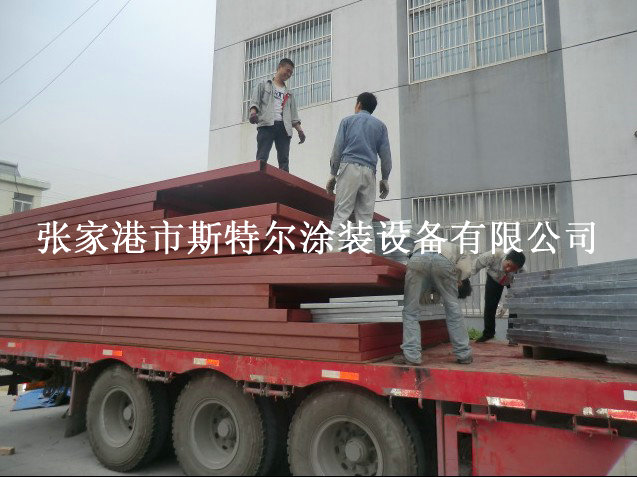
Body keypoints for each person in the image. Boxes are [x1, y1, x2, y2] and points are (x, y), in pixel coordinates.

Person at [325, 92, 391, 253]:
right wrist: (385, 178)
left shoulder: (347, 121)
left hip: (349, 168)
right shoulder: (380, 127)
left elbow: (337, 149)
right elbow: (386, 155)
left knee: (342, 213)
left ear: (359, 104)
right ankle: (367, 255)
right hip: (369, 171)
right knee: (365, 218)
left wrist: (333, 173)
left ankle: (333, 254)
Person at [393, 241, 474, 366]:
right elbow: (466, 268)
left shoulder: (431, 244)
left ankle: (412, 356)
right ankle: (464, 355)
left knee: (410, 311)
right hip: (444, 261)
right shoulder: (459, 250)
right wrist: (458, 278)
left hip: (417, 259)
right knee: (453, 311)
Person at [248, 58, 306, 172]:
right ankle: (259, 179)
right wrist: (253, 113)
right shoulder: (264, 85)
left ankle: (283, 181)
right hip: (266, 125)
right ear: (279, 67)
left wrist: (300, 131)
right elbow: (255, 102)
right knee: (262, 157)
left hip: (284, 128)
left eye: (291, 73)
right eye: (287, 70)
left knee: (284, 160)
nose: (288, 74)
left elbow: (294, 116)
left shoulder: (289, 93)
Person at [472, 249, 526, 343]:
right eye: (508, 265)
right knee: (490, 305)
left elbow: (516, 291)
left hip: (512, 282)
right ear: (506, 258)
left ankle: (513, 336)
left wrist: (505, 305)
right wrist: (462, 278)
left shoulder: (522, 272)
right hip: (494, 279)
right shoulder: (493, 255)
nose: (508, 269)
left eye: (513, 268)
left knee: (514, 306)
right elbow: (474, 266)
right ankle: (488, 334)